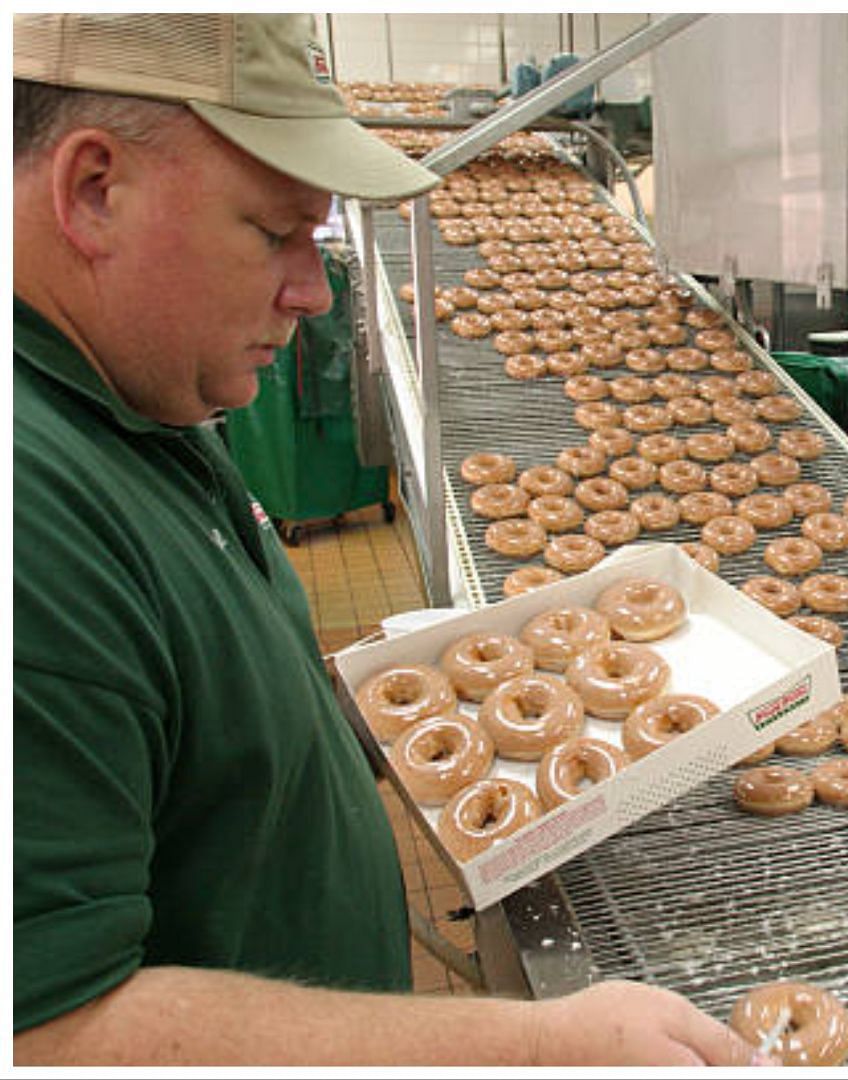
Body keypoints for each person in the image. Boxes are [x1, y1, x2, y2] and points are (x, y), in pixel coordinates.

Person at [12, 14, 764, 1066]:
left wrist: (376, 708)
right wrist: (537, 1051)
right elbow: (45, 1032)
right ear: (94, 189)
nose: (315, 291)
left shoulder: (140, 403)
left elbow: (185, 727)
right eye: (274, 232)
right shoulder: (29, 513)